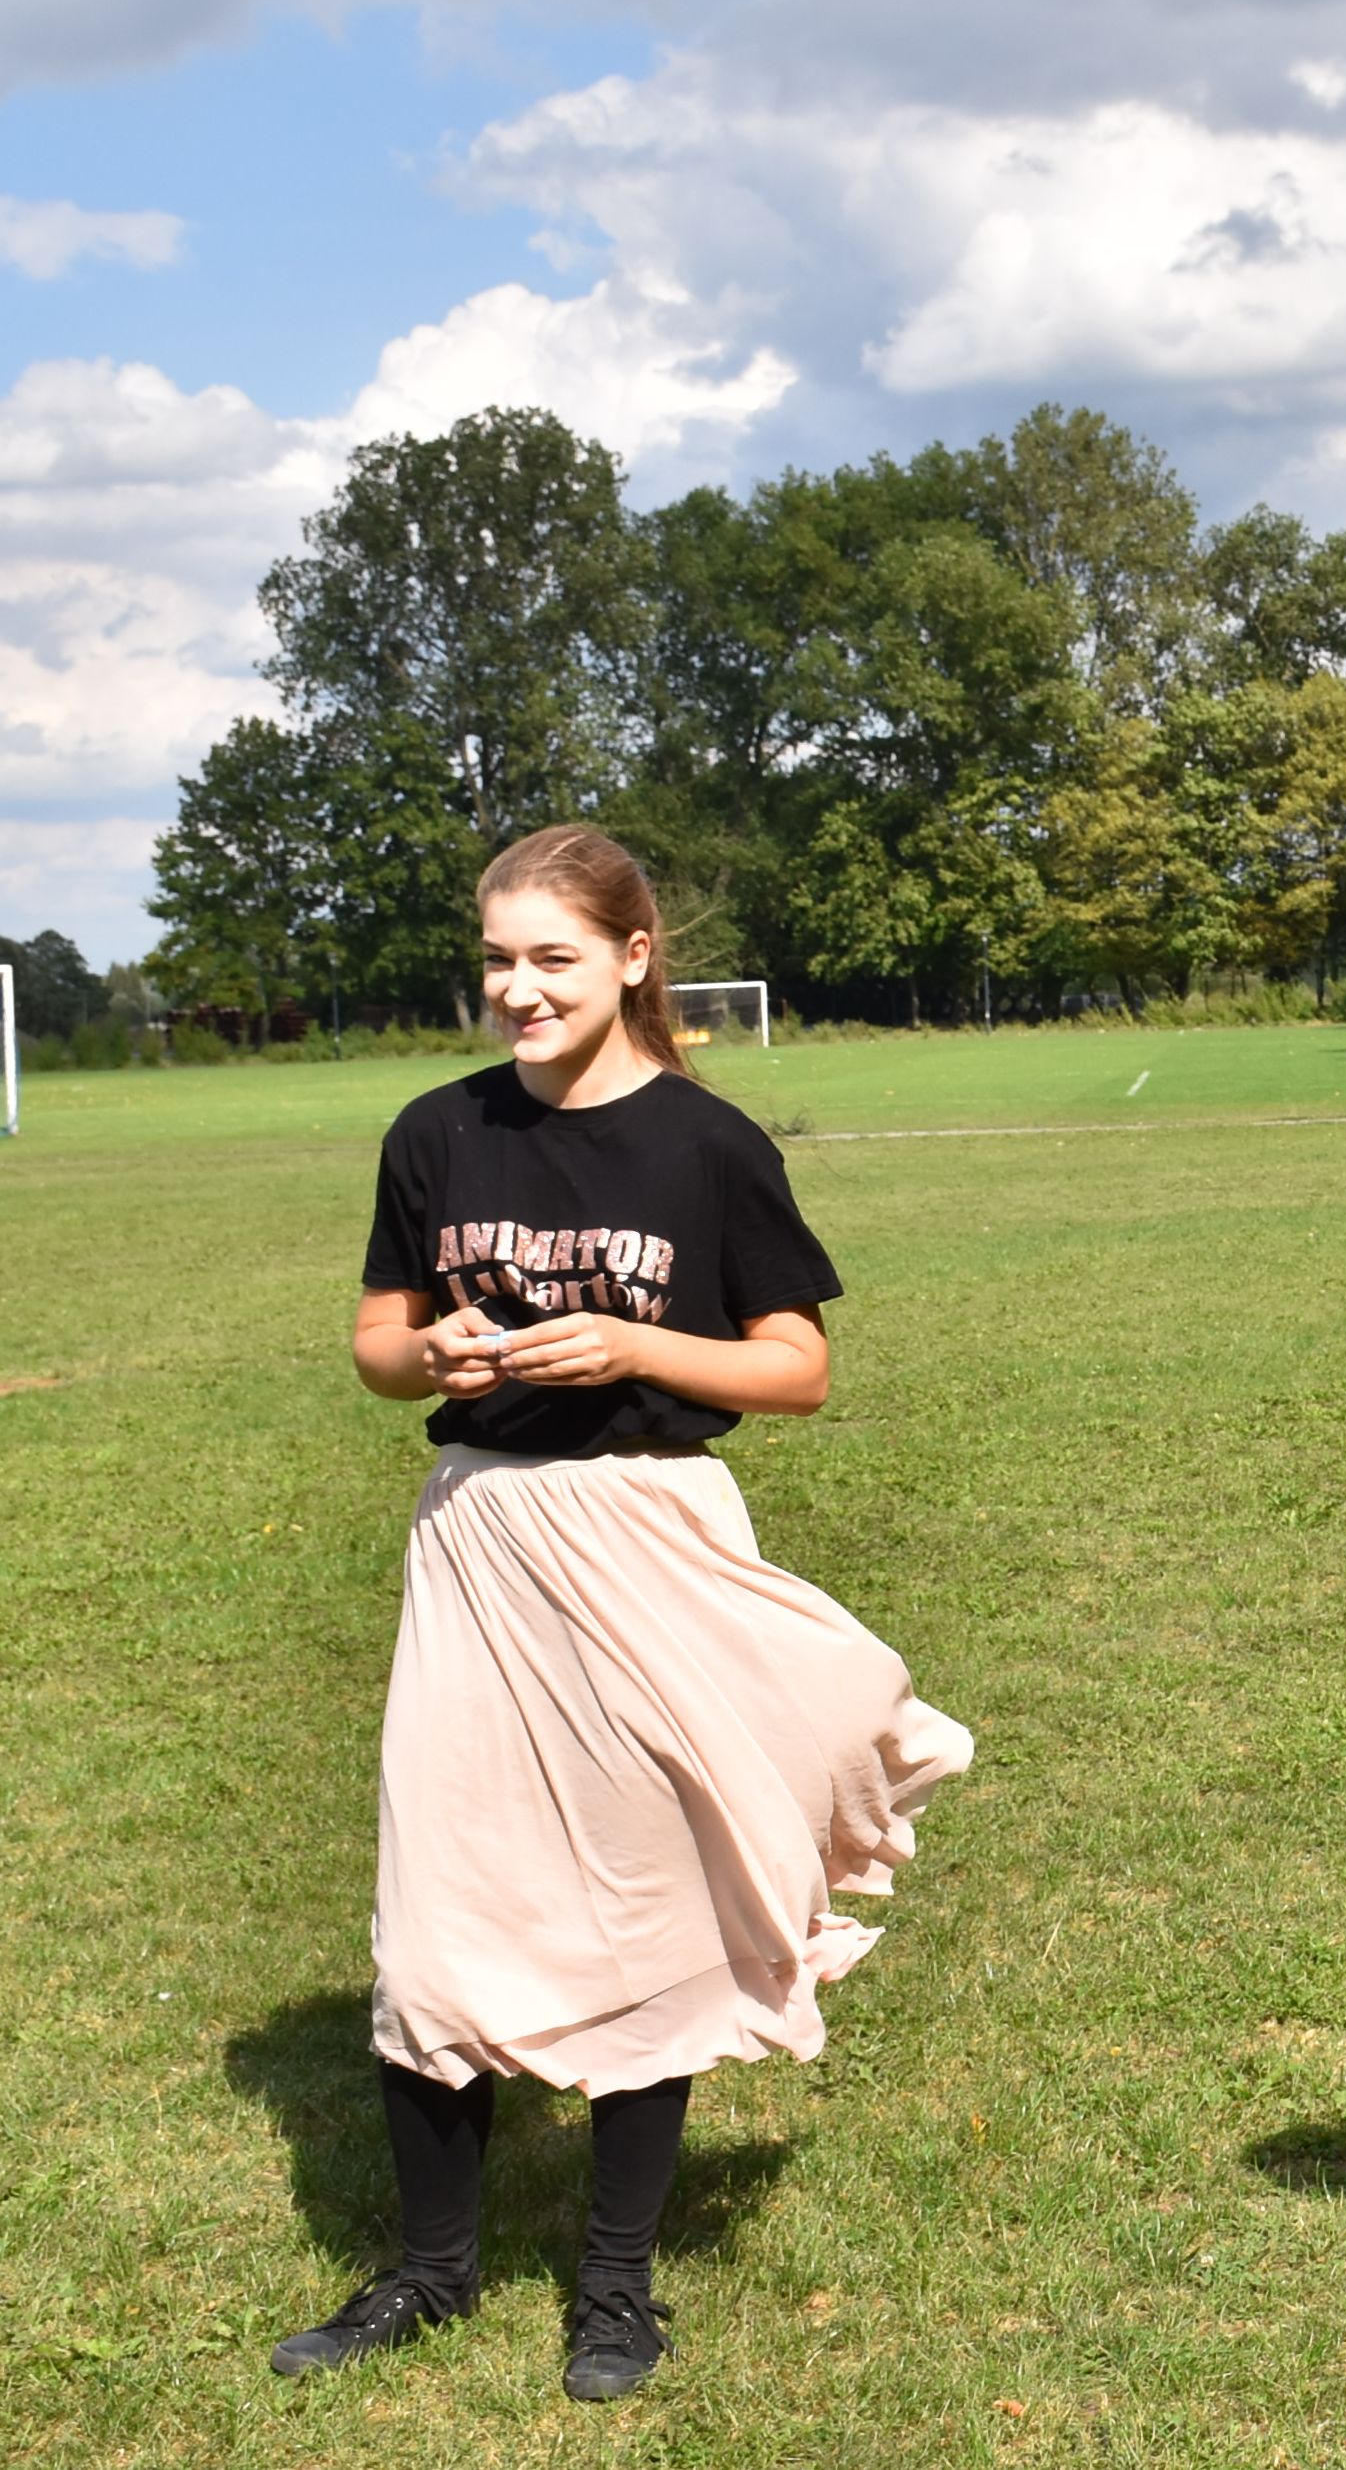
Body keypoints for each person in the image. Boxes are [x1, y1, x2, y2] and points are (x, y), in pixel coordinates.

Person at [274, 826, 970, 2402]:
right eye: (499, 960)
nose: (517, 989)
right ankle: (434, 2273)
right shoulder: (435, 1130)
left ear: (636, 956)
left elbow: (796, 1367)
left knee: (648, 1901)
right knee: (435, 1904)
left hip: (650, 1533)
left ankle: (614, 2288)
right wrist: (432, 1354)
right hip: (481, 1541)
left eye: (552, 959)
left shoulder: (707, 1147)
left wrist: (632, 1345)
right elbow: (375, 1341)